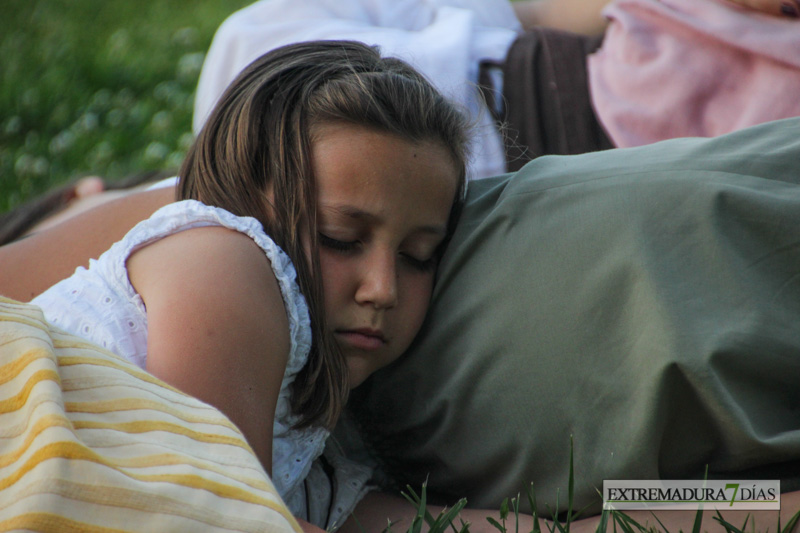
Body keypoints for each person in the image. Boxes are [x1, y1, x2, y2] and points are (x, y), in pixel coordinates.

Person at [2, 39, 477, 532]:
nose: (383, 289)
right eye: (339, 238)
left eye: (417, 256)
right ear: (244, 202)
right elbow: (221, 518)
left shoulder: (303, 418)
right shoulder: (222, 258)